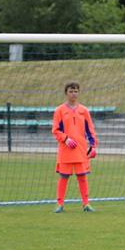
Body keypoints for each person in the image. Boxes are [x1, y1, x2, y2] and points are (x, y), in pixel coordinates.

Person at [51, 82, 98, 213]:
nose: (73, 94)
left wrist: (93, 146)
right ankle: (60, 204)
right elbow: (55, 130)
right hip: (65, 149)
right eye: (71, 91)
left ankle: (86, 204)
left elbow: (90, 130)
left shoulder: (84, 111)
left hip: (81, 149)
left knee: (82, 176)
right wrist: (65, 139)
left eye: (76, 91)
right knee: (64, 176)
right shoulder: (59, 111)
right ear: (66, 93)